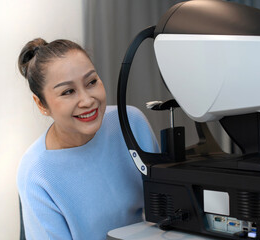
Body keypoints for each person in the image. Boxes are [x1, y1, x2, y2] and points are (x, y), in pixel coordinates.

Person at [17, 38, 159, 240]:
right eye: (68, 92)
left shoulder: (131, 123)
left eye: (91, 82)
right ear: (41, 104)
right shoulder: (37, 173)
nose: (87, 100)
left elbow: (166, 212)